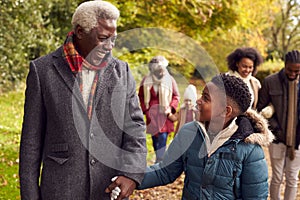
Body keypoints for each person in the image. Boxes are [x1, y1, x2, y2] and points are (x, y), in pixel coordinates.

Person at [19, 1, 147, 200]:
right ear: (80, 31)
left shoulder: (123, 71)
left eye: (113, 39)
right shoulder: (41, 71)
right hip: (60, 191)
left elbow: (135, 128)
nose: (110, 46)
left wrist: (131, 173)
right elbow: (30, 143)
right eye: (103, 38)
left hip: (108, 189)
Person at [132, 74, 274, 199]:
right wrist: (131, 177)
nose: (198, 101)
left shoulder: (250, 150)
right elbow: (164, 171)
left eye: (206, 98)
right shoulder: (188, 133)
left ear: (225, 111)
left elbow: (256, 196)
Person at [257, 50, 300, 200]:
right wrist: (275, 129)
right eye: (290, 69)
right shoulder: (270, 81)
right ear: (285, 65)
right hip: (276, 138)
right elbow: (260, 110)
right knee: (277, 177)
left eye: (297, 71)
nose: (293, 73)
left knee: (293, 178)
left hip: (297, 141)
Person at [138, 55, 180, 163]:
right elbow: (141, 96)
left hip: (164, 115)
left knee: (162, 138)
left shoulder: (170, 80)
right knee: (154, 140)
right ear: (153, 70)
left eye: (163, 69)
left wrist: (170, 108)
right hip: (151, 116)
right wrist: (146, 111)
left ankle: (159, 161)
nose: (162, 72)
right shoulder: (146, 80)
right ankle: (158, 158)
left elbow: (176, 96)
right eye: (159, 70)